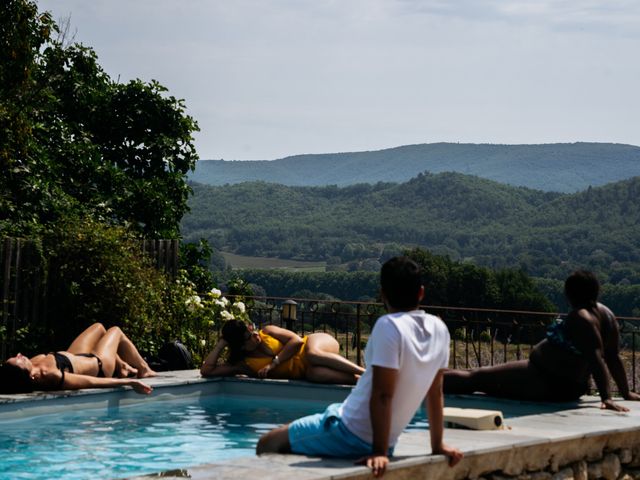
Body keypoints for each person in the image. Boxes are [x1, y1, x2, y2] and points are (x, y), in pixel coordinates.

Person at [256, 256, 462, 478]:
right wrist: (437, 445)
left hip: (349, 431)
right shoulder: (439, 328)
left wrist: (379, 452)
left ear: (383, 294)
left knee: (268, 443)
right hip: (370, 432)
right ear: (421, 292)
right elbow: (435, 392)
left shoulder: (389, 326)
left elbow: (383, 394)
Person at [444, 270, 640, 412]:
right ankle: (428, 376)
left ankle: (425, 381)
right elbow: (612, 357)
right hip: (558, 381)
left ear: (570, 294)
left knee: (475, 378)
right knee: (476, 375)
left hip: (545, 380)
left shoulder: (581, 318)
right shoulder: (607, 315)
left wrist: (607, 398)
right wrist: (625, 392)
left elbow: (596, 358)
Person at [0, 323, 155, 395]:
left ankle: (122, 367)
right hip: (99, 365)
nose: (19, 355)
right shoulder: (51, 376)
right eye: (18, 360)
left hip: (75, 357)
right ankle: (143, 369)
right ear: (30, 376)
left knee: (99, 328)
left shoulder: (32, 366)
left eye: (15, 356)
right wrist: (130, 382)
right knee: (115, 331)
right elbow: (92, 382)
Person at [200, 321, 364, 384]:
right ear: (241, 346)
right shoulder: (244, 365)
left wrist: (273, 364)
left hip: (314, 344)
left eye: (252, 329)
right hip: (306, 370)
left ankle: (365, 371)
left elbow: (297, 341)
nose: (255, 334)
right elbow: (207, 371)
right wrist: (222, 343)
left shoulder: (267, 331)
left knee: (312, 354)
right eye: (249, 336)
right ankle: (363, 381)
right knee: (315, 374)